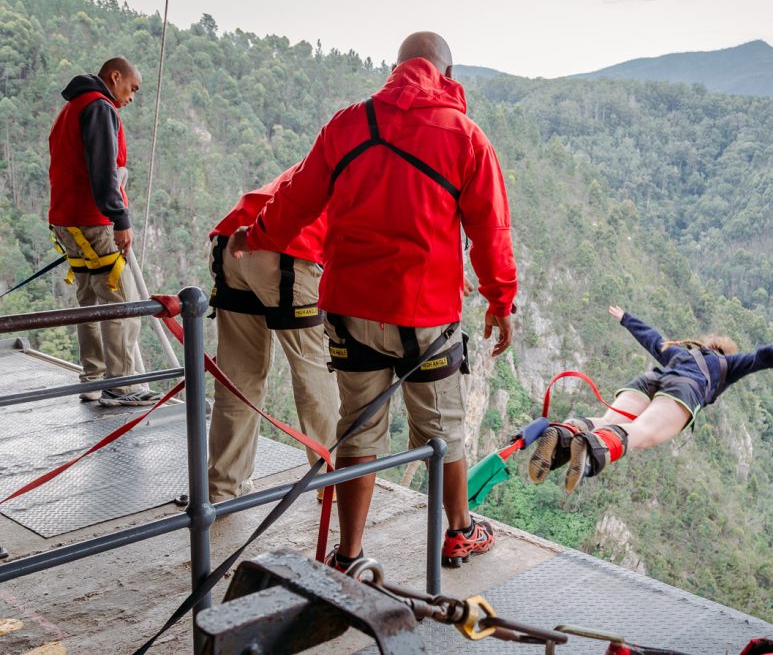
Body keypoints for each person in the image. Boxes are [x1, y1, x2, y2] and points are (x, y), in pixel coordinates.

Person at [229, 32, 518, 569]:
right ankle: (459, 531)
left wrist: (256, 234)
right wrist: (501, 301)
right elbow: (489, 230)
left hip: (348, 311)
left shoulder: (347, 125)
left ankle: (349, 553)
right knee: (442, 432)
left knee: (359, 429)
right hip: (425, 316)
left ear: (396, 69)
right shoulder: (466, 137)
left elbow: (296, 201)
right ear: (447, 76)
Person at [530, 305, 773, 493]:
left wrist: (626, 317)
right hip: (684, 390)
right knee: (638, 433)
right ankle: (590, 448)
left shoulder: (681, 350)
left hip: (651, 379)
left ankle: (565, 433)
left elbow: (652, 338)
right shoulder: (726, 364)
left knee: (607, 421)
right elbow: (766, 356)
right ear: (724, 351)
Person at [206, 164, 339, 503]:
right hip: (285, 252)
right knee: (313, 371)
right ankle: (333, 482)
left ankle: (223, 488)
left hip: (229, 244)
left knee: (238, 377)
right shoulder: (376, 176)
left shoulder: (328, 157)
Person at [48, 57, 160, 407]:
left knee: (89, 300)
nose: (131, 97)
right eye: (132, 88)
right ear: (115, 77)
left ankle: (92, 379)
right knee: (119, 302)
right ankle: (121, 385)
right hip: (92, 219)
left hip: (66, 220)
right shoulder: (100, 108)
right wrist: (121, 219)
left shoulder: (72, 108)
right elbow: (104, 171)